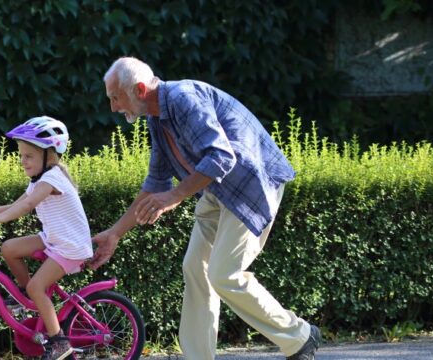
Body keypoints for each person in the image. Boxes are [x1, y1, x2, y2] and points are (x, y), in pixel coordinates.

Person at [90, 57, 321, 360]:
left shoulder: (183, 98)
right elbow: (156, 183)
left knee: (224, 274)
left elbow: (221, 156)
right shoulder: (157, 119)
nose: (114, 107)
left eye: (116, 97)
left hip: (250, 187)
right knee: (194, 268)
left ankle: (300, 337)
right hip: (215, 191)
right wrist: (115, 234)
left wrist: (175, 196)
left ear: (140, 89)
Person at [0, 116, 92, 360]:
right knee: (9, 248)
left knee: (37, 287)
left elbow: (29, 205)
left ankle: (59, 343)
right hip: (53, 238)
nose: (23, 161)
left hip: (69, 245)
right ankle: (24, 298)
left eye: (28, 156)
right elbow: (17, 203)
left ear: (50, 155)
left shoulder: (52, 179)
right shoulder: (39, 180)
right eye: (21, 155)